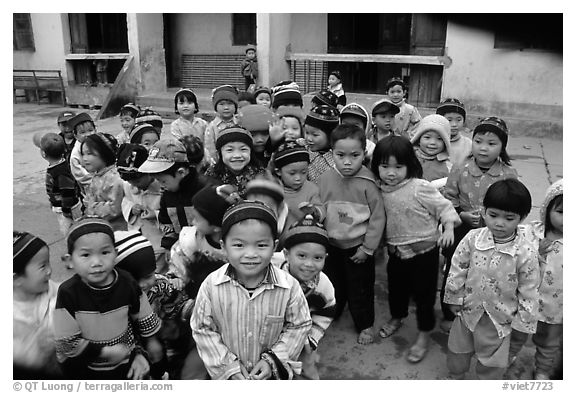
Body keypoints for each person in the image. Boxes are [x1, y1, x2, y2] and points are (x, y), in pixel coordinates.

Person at [191, 200, 312, 380]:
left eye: (261, 245)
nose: (250, 254)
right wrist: (228, 368)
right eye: (239, 245)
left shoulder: (289, 286)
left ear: (274, 246)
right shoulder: (211, 285)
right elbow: (202, 328)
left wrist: (273, 360)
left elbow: (299, 325)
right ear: (224, 247)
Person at [370, 136, 460, 363]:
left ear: (409, 164)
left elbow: (445, 207)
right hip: (397, 253)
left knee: (424, 297)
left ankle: (424, 333)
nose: (391, 173)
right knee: (397, 290)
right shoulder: (378, 190)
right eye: (384, 166)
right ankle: (397, 316)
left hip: (425, 253)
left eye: (398, 167)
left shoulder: (420, 187)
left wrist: (448, 228)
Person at [444, 179, 540, 379]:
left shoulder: (525, 252)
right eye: (493, 215)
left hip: (500, 318)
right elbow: (458, 268)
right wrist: (454, 296)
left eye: (509, 218)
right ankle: (456, 375)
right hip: (467, 310)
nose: (499, 223)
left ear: (522, 218)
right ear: (484, 211)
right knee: (458, 351)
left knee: (492, 362)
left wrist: (523, 323)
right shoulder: (472, 238)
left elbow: (529, 289)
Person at [54, 218, 162, 380]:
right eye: (85, 255)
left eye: (105, 252)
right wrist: (104, 352)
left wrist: (151, 342)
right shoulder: (68, 293)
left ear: (115, 254)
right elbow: (65, 342)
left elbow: (142, 316)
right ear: (70, 261)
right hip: (87, 369)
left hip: (126, 362)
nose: (97, 262)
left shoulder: (127, 282)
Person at [440, 116, 518, 333]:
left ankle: (483, 311)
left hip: (495, 234)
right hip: (462, 229)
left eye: (492, 143)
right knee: (455, 269)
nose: (483, 148)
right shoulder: (460, 167)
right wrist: (461, 215)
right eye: (478, 141)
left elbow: (514, 204)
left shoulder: (508, 174)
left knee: (486, 272)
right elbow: (448, 199)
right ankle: (449, 310)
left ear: (502, 147)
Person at [319, 123, 386, 345]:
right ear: (332, 154)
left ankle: (365, 323)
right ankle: (333, 312)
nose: (347, 162)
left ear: (364, 153)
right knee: (331, 283)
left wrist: (367, 248)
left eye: (355, 155)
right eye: (340, 155)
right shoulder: (325, 179)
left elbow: (378, 218)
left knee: (361, 288)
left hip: (358, 248)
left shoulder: (369, 182)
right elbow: (320, 208)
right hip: (330, 246)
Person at [114, 230, 196, 380]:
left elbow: (178, 305)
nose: (151, 281)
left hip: (162, 349)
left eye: (152, 273)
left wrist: (196, 309)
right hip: (131, 361)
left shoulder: (159, 285)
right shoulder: (115, 303)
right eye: (144, 278)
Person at [508, 179, 563, 380]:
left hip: (556, 307)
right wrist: (534, 252)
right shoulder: (532, 233)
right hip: (524, 300)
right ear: (548, 209)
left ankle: (542, 370)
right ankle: (506, 359)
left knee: (549, 342)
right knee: (515, 336)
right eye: (562, 212)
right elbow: (515, 256)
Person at [279, 215, 336, 380]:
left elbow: (326, 312)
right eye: (302, 256)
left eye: (317, 258)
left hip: (303, 333)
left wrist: (312, 338)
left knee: (308, 364)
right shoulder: (271, 269)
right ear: (286, 254)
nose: (309, 264)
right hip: (271, 331)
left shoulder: (324, 286)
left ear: (325, 258)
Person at [138, 138, 214, 254]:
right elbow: (167, 223)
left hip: (209, 252)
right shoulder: (167, 196)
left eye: (163, 181)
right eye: (157, 181)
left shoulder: (206, 190)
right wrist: (169, 247)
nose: (160, 185)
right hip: (182, 253)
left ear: (181, 172)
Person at [13, 231, 61, 379]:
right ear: (16, 279)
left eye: (48, 263)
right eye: (42, 266)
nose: (50, 271)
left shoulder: (53, 290)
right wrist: (36, 348)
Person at [116, 143, 164, 272]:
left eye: (137, 181)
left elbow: (171, 211)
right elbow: (125, 200)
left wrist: (156, 214)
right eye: (131, 183)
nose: (135, 186)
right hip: (138, 235)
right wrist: (131, 209)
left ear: (148, 173)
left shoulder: (162, 187)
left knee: (157, 269)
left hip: (157, 239)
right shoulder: (129, 186)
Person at [272, 140, 325, 247]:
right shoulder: (273, 190)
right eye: (292, 173)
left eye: (304, 172)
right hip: (277, 245)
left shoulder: (311, 189)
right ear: (278, 172)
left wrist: (313, 211)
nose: (298, 178)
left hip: (302, 243)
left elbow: (322, 210)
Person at [32, 132, 83, 235]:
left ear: (44, 154)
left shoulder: (60, 172)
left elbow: (67, 192)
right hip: (62, 206)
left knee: (70, 232)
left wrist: (66, 210)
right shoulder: (58, 166)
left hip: (69, 208)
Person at [204, 126, 265, 198]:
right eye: (230, 150)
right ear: (219, 154)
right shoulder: (212, 174)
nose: (237, 155)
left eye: (243, 149)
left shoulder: (259, 173)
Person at [82, 132, 126, 230]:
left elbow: (115, 208)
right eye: (83, 154)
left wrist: (92, 207)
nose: (84, 158)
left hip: (116, 229)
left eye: (89, 153)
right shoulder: (99, 175)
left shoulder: (115, 178)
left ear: (104, 153)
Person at [410, 114, 453, 188]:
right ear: (418, 139)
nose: (432, 142)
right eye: (427, 137)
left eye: (439, 139)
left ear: (445, 142)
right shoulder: (408, 158)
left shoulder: (447, 166)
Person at [204, 85, 240, 166]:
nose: (226, 107)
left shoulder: (240, 123)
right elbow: (210, 149)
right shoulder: (212, 127)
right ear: (215, 107)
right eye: (222, 104)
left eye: (230, 104)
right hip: (219, 164)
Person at [304, 105, 340, 184]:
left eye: (315, 135)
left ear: (330, 135)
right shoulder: (303, 149)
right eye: (307, 132)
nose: (309, 138)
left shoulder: (337, 158)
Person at [436, 98, 473, 167]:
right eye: (449, 120)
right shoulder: (433, 142)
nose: (454, 124)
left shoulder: (469, 144)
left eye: (459, 120)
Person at [67, 112, 97, 196]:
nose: (88, 134)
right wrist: (99, 181)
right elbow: (81, 176)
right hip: (90, 188)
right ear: (75, 135)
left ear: (96, 130)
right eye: (82, 132)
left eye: (90, 130)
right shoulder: (75, 154)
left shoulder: (99, 144)